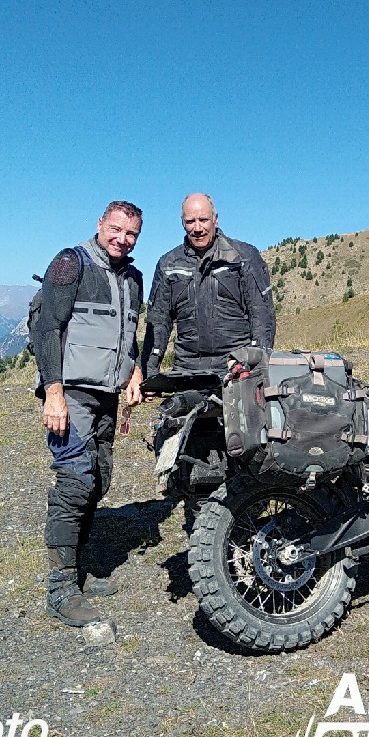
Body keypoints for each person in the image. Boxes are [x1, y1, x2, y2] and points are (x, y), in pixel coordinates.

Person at [30, 201, 145, 627]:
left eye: (131, 234)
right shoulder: (70, 263)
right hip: (71, 393)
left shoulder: (132, 278)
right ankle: (60, 588)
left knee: (98, 477)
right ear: (100, 224)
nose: (122, 239)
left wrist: (134, 370)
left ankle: (79, 568)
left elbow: (128, 334)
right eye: (115, 229)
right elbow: (47, 328)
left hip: (107, 396)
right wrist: (53, 392)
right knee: (75, 481)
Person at [142, 193, 275, 377]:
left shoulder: (244, 257)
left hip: (236, 370)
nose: (198, 228)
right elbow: (158, 323)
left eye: (203, 220)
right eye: (190, 221)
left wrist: (258, 368)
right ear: (182, 223)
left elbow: (262, 317)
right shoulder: (168, 265)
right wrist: (149, 375)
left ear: (215, 219)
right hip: (186, 372)